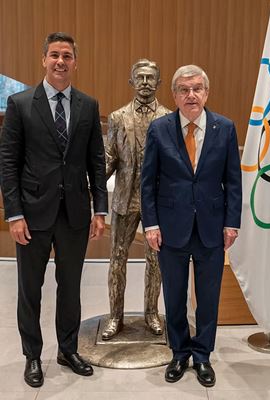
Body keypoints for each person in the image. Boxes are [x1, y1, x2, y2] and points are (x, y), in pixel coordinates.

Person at [0, 32, 108, 387]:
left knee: (71, 286)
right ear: (43, 59)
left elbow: (96, 161)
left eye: (67, 56)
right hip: (31, 215)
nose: (60, 61)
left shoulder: (88, 105)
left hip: (75, 213)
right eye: (54, 55)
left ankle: (68, 349)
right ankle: (32, 355)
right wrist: (13, 213)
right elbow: (8, 163)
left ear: (75, 62)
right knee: (30, 288)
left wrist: (100, 210)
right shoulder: (19, 104)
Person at [141, 64, 242, 387]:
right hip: (171, 228)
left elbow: (233, 181)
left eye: (197, 88)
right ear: (174, 95)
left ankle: (202, 355)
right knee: (173, 294)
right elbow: (148, 183)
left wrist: (232, 223)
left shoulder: (224, 128)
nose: (191, 95)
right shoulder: (159, 129)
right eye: (184, 90)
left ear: (207, 92)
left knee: (209, 296)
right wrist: (151, 224)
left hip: (212, 227)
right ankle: (180, 352)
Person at [101, 59, 171, 340]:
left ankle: (151, 313)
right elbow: (109, 159)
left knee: (155, 261)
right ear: (131, 82)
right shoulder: (118, 118)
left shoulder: (169, 118)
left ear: (159, 82)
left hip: (157, 203)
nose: (144, 83)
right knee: (117, 259)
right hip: (124, 199)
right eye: (139, 78)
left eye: (150, 78)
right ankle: (115, 317)